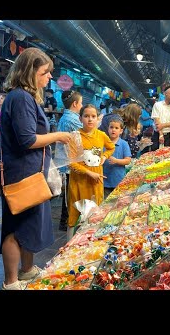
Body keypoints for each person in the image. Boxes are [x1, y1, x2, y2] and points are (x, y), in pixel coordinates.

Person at [0, 47, 72, 290]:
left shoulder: (25, 97)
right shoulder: (20, 98)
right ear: (30, 72)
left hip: (30, 171)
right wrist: (58, 135)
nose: (49, 77)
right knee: (15, 226)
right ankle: (11, 282)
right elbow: (27, 139)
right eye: (45, 72)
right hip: (21, 173)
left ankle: (27, 270)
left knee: (29, 225)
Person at [67, 104, 115, 240]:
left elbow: (111, 148)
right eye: (86, 116)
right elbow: (71, 162)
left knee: (94, 214)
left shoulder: (101, 135)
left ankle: (90, 243)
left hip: (96, 182)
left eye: (93, 116)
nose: (90, 119)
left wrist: (105, 156)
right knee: (75, 214)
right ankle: (68, 247)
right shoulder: (75, 136)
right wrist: (89, 173)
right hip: (78, 183)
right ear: (80, 118)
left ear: (97, 119)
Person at [55, 90, 83, 232]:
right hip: (69, 162)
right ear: (75, 103)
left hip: (66, 161)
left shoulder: (65, 117)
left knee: (68, 193)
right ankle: (66, 222)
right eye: (81, 103)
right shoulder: (72, 120)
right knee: (70, 193)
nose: (81, 105)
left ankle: (64, 221)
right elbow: (85, 133)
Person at [102, 118, 132, 199]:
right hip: (104, 182)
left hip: (118, 181)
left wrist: (116, 161)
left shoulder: (124, 144)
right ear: (108, 129)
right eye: (111, 127)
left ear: (121, 131)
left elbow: (128, 160)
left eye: (116, 128)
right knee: (105, 204)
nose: (113, 130)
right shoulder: (103, 143)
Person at [151, 85, 170, 150]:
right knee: (155, 154)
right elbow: (156, 120)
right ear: (165, 94)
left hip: (168, 135)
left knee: (167, 155)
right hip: (157, 134)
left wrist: (163, 125)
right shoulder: (157, 105)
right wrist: (161, 134)